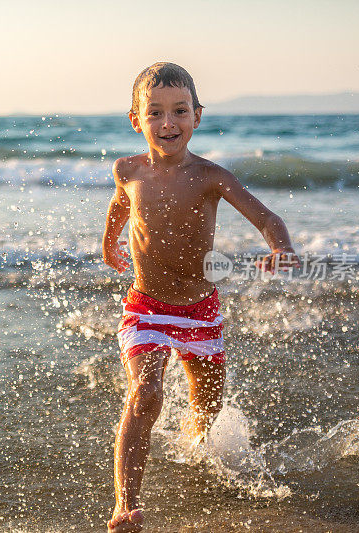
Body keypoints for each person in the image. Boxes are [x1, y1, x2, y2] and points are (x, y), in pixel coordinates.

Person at [101, 62, 300, 533]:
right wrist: (109, 242)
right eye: (155, 112)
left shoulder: (212, 176)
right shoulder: (127, 169)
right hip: (145, 306)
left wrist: (282, 246)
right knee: (145, 395)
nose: (168, 122)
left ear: (197, 116)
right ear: (136, 119)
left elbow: (266, 216)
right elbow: (120, 205)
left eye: (179, 110)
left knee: (206, 406)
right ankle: (125, 504)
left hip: (200, 311)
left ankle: (197, 450)